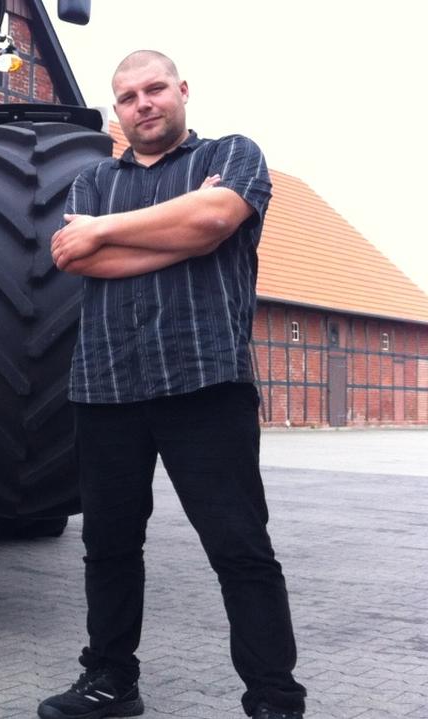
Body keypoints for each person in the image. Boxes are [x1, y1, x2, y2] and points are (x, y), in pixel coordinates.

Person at [36, 50, 307, 719]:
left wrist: (111, 231)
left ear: (182, 89)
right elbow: (76, 256)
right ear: (117, 111)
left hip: (204, 381)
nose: (143, 104)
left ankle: (273, 697)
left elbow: (213, 220)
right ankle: (110, 680)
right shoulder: (92, 180)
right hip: (106, 385)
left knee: (240, 547)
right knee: (109, 548)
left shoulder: (233, 154)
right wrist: (184, 233)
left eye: (154, 89)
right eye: (128, 97)